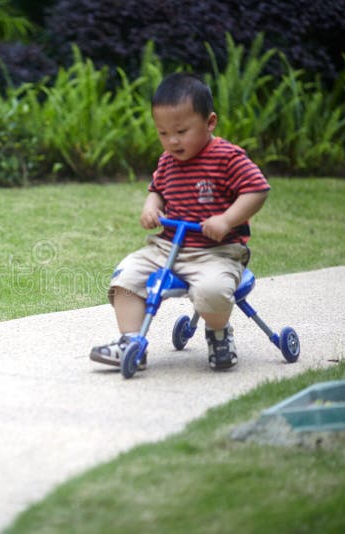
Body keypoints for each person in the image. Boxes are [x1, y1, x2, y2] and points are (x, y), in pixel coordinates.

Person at [90, 72, 270, 371]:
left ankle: (219, 334)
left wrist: (226, 219)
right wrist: (151, 208)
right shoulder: (167, 161)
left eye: (181, 131)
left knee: (212, 291)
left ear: (210, 123)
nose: (172, 141)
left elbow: (257, 190)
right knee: (126, 278)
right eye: (162, 133)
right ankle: (131, 343)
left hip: (217, 251)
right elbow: (157, 191)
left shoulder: (227, 157)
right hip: (167, 248)